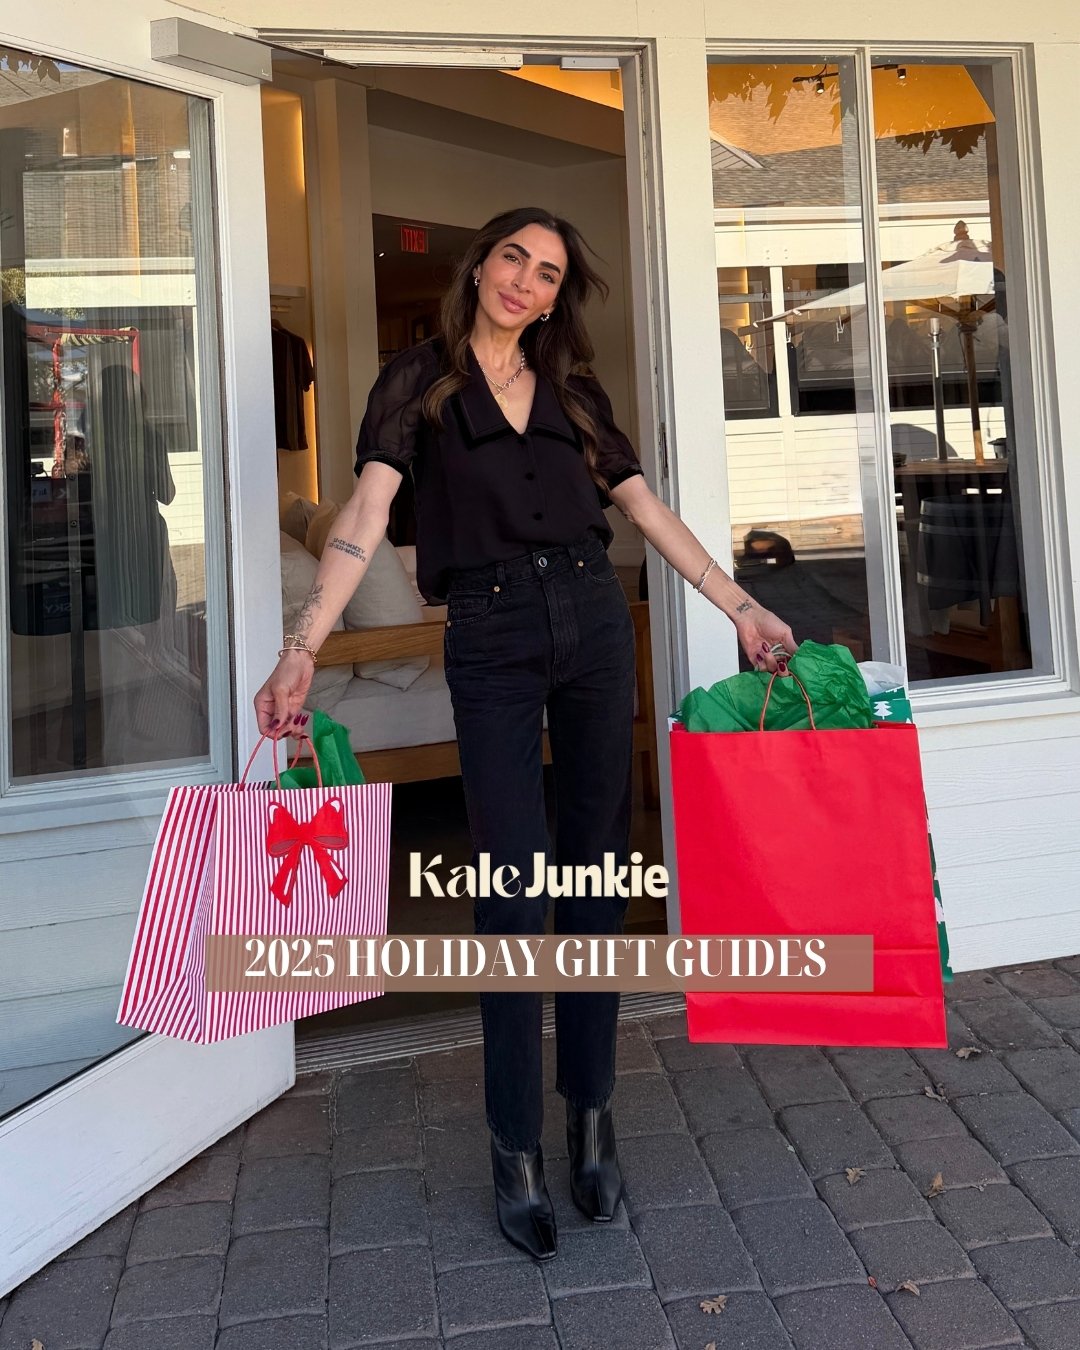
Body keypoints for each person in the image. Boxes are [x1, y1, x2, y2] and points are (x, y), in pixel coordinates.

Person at [254, 206, 798, 1261]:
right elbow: (364, 519)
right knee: (513, 889)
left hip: (593, 620)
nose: (525, 281)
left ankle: (591, 1115)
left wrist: (740, 607)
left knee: (596, 878)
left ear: (554, 299)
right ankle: (514, 1147)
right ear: (481, 266)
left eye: (547, 272)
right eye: (514, 257)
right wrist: (303, 646)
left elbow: (647, 512)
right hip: (492, 633)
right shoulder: (419, 382)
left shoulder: (574, 394)